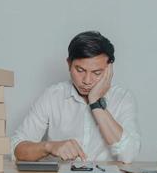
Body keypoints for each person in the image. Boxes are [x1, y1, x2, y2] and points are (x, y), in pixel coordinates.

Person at [11, 31, 141, 163]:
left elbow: (129, 155)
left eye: (97, 73)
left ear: (109, 69)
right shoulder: (53, 95)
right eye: (80, 70)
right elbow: (17, 148)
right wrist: (49, 146)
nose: (87, 80)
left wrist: (95, 102)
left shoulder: (123, 98)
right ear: (69, 64)